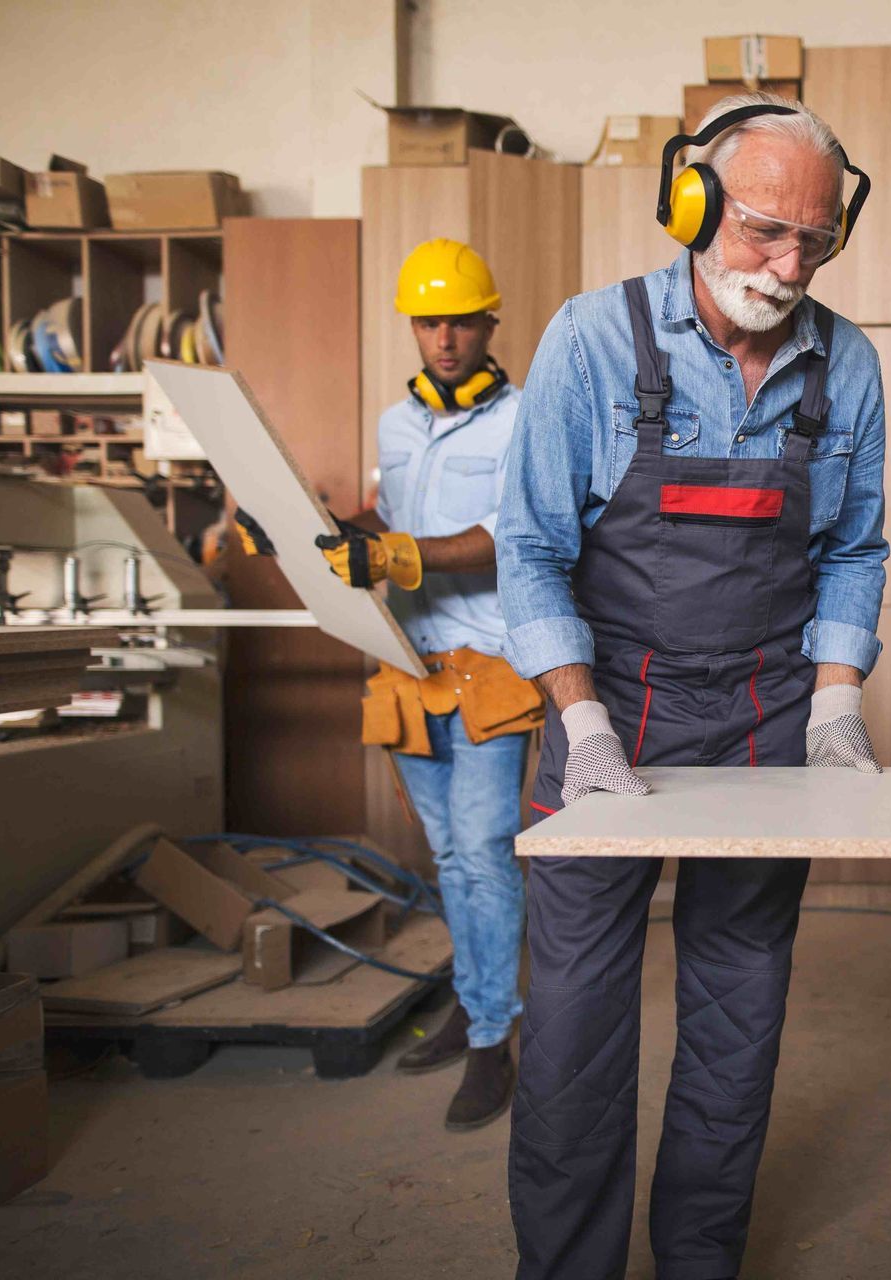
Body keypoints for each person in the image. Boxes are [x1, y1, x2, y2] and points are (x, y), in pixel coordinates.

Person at [495, 93, 887, 1279]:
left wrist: (834, 706)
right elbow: (532, 546)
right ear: (691, 204)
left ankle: (700, 1262)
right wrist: (582, 722)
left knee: (737, 1019)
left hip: (769, 718)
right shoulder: (592, 339)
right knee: (569, 1034)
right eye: (767, 231)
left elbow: (853, 549)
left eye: (815, 241)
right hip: (609, 710)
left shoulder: (847, 360)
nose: (791, 263)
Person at [320, 237, 543, 1129]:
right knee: (449, 854)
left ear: (490, 322)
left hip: (490, 669)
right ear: (413, 326)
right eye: (428, 321)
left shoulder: (524, 418)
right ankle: (475, 1000)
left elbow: (510, 532)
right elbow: (395, 521)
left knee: (487, 853)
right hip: (409, 665)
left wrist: (400, 554)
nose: (443, 337)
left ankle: (496, 1037)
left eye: (459, 319)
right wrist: (332, 529)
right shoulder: (393, 423)